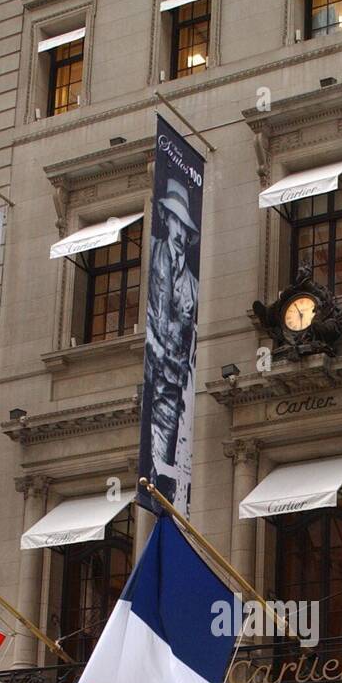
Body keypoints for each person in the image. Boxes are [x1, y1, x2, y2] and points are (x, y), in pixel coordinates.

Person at [144, 177, 199, 508]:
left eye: (184, 225)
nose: (180, 233)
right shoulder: (152, 254)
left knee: (173, 486)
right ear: (165, 219)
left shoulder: (193, 284)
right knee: (153, 482)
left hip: (181, 397)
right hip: (154, 391)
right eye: (175, 221)